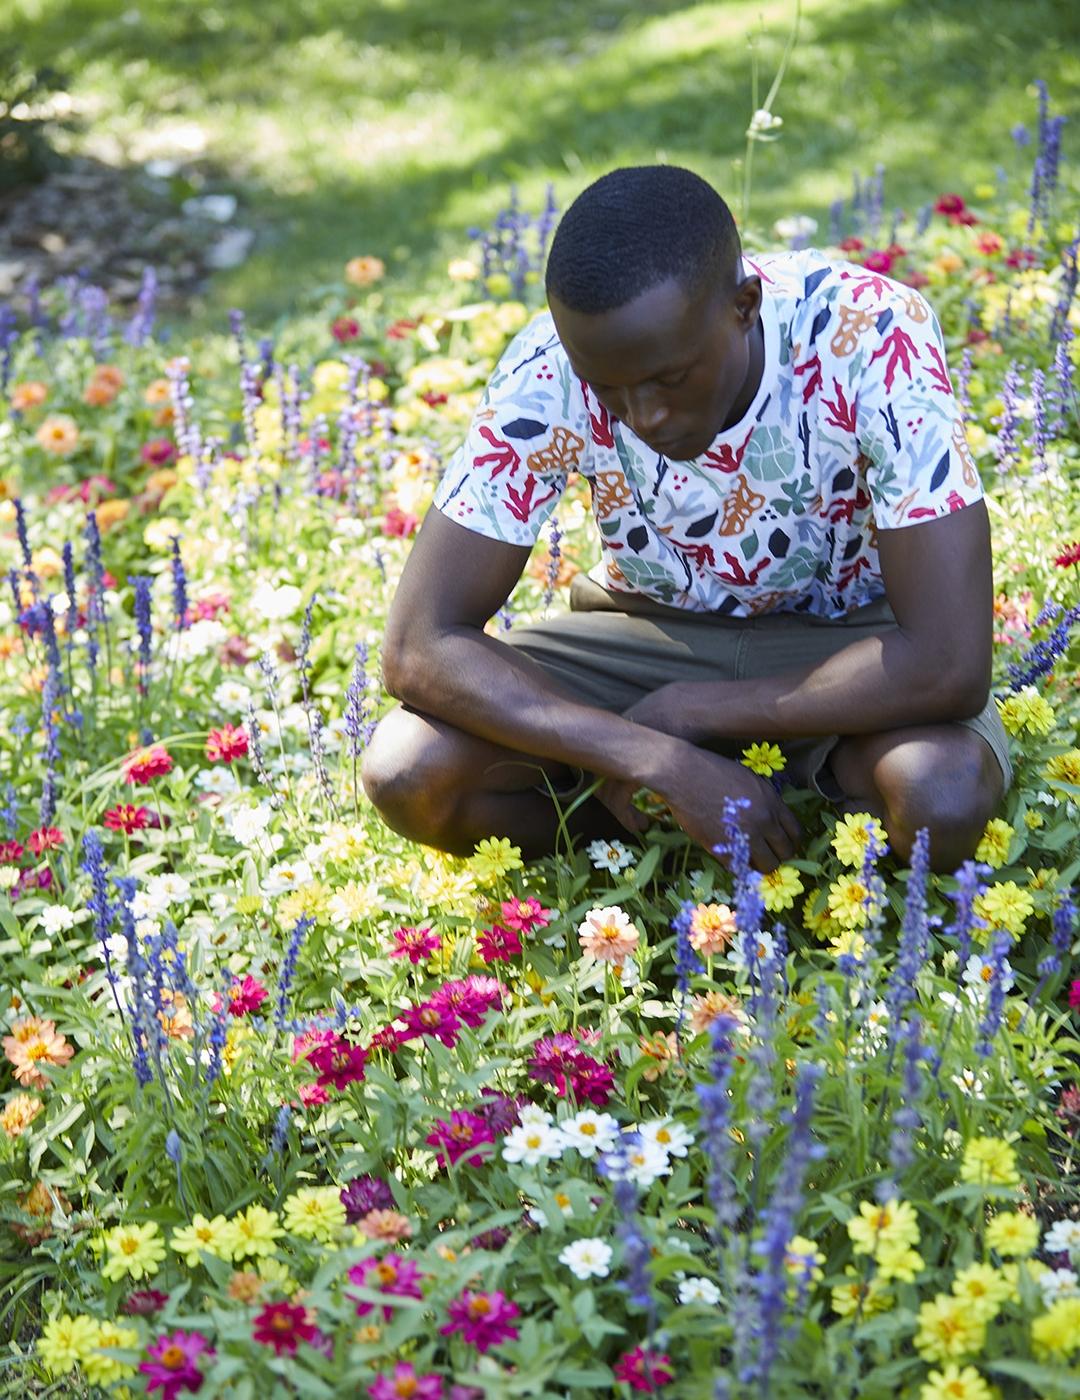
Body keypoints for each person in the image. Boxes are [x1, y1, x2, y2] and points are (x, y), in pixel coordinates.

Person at [362, 165, 1010, 873]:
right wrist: (650, 754)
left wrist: (691, 712)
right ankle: (655, 836)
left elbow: (948, 662)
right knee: (408, 772)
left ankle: (791, 829)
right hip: (648, 633)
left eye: (670, 379)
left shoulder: (871, 332)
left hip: (850, 643)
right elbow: (418, 646)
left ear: (744, 305)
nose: (644, 418)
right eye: (608, 389)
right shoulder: (546, 368)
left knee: (937, 796)